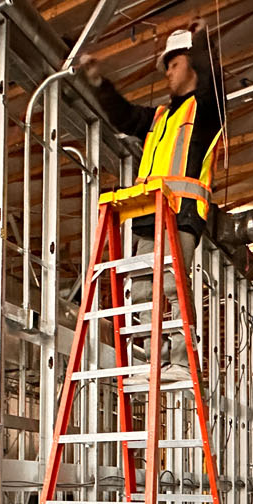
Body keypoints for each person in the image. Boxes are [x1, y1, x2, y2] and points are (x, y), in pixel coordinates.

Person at [76, 19, 224, 366]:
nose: (168, 73)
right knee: (143, 290)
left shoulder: (205, 111)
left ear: (191, 64)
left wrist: (202, 43)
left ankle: (181, 360)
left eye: (174, 64)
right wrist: (99, 83)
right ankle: (155, 360)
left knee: (172, 286)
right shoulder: (160, 116)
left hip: (181, 211)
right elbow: (125, 117)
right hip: (148, 214)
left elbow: (213, 83)